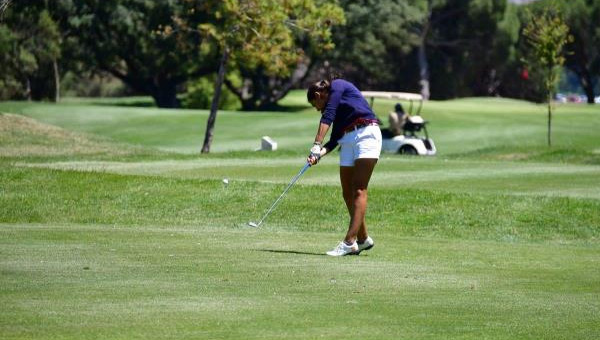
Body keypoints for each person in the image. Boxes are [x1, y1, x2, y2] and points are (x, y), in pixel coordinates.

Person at [306, 78, 382, 256]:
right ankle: (363, 239)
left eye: (315, 104)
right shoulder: (339, 110)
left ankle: (349, 242)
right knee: (347, 191)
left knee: (359, 189)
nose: (317, 108)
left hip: (367, 134)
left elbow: (328, 114)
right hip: (346, 140)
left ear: (318, 95)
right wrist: (318, 155)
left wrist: (317, 144)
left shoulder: (338, 85)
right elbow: (333, 141)